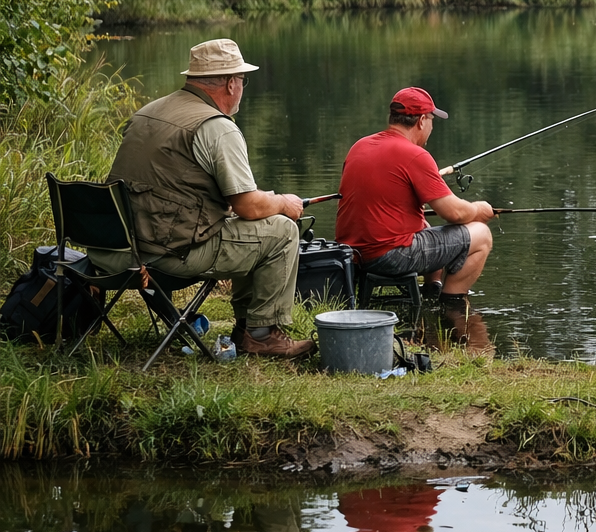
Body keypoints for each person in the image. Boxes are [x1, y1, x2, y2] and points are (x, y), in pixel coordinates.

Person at [94, 38, 314, 359]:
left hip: (116, 250)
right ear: (229, 84)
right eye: (242, 80)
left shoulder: (148, 112)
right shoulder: (217, 127)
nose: (241, 86)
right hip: (166, 255)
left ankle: (249, 327)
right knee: (279, 231)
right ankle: (261, 334)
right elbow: (247, 206)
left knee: (254, 226)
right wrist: (282, 202)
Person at [335, 88, 494, 305]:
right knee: (482, 235)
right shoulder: (415, 155)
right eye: (431, 120)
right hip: (388, 257)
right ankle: (452, 305)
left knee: (424, 226)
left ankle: (431, 290)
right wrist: (480, 210)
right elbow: (454, 213)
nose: (431, 127)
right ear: (421, 121)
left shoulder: (359, 146)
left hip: (351, 255)